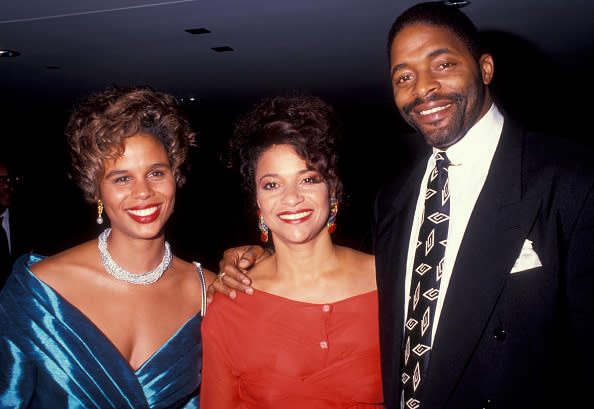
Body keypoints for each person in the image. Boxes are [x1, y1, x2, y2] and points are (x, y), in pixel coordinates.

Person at [215, 3, 594, 409]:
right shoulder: (396, 197)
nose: (423, 88)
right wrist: (262, 254)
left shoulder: (573, 178)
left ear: (485, 68)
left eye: (443, 64)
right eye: (405, 77)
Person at [0, 85, 216, 408]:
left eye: (156, 172)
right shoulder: (37, 291)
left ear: (175, 177)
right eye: (121, 178)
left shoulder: (209, 293)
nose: (143, 192)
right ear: (96, 191)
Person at [200, 95, 383, 408]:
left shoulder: (391, 282)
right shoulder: (232, 304)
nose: (292, 198)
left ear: (333, 188)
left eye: (308, 179)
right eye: (272, 185)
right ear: (257, 199)